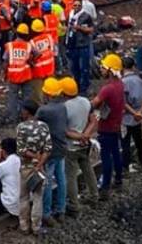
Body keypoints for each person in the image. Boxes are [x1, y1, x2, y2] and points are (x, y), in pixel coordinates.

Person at [60, 77, 97, 215]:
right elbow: (93, 121)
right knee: (88, 169)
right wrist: (86, 135)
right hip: (85, 144)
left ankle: (74, 205)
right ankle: (94, 196)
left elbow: (65, 131)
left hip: (71, 146)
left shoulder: (64, 107)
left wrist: (80, 137)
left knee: (70, 176)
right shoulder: (85, 101)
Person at [15, 100, 50, 235]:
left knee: (23, 197)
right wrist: (40, 163)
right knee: (37, 197)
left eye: (23, 110)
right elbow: (48, 148)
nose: (21, 112)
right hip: (39, 168)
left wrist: (33, 157)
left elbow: (21, 150)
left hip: (25, 167)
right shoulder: (44, 127)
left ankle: (24, 225)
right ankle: (36, 226)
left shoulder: (21, 127)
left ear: (27, 111)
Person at [92, 53, 126, 193]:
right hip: (116, 124)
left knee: (106, 158)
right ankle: (118, 179)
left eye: (104, 67)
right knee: (116, 154)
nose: (101, 69)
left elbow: (94, 103)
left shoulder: (108, 89)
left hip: (106, 127)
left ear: (110, 70)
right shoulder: (120, 84)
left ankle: (105, 186)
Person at [36, 78, 68, 223]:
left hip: (49, 151)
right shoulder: (62, 107)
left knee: (47, 182)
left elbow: (34, 123)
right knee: (61, 179)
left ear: (47, 93)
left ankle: (47, 213)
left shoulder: (44, 110)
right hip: (61, 148)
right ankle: (61, 210)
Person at [121, 55, 142, 174]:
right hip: (138, 118)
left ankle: (125, 167)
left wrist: (133, 113)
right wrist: (139, 113)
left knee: (125, 143)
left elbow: (123, 102)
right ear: (133, 67)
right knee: (139, 140)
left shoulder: (123, 82)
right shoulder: (140, 80)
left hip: (126, 117)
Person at [5, 24, 34, 121]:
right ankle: (25, 116)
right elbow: (37, 54)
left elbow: (5, 61)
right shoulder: (29, 45)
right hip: (26, 74)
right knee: (27, 96)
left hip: (13, 75)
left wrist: (5, 73)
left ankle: (13, 117)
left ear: (17, 33)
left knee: (13, 97)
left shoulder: (9, 45)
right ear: (26, 35)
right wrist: (30, 62)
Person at [66, 0, 95, 96]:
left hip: (83, 44)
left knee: (84, 67)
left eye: (79, 5)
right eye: (75, 5)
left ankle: (85, 87)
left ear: (81, 6)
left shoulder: (86, 16)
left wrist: (80, 28)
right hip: (73, 44)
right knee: (75, 67)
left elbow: (91, 29)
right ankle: (77, 86)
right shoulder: (70, 16)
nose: (77, 7)